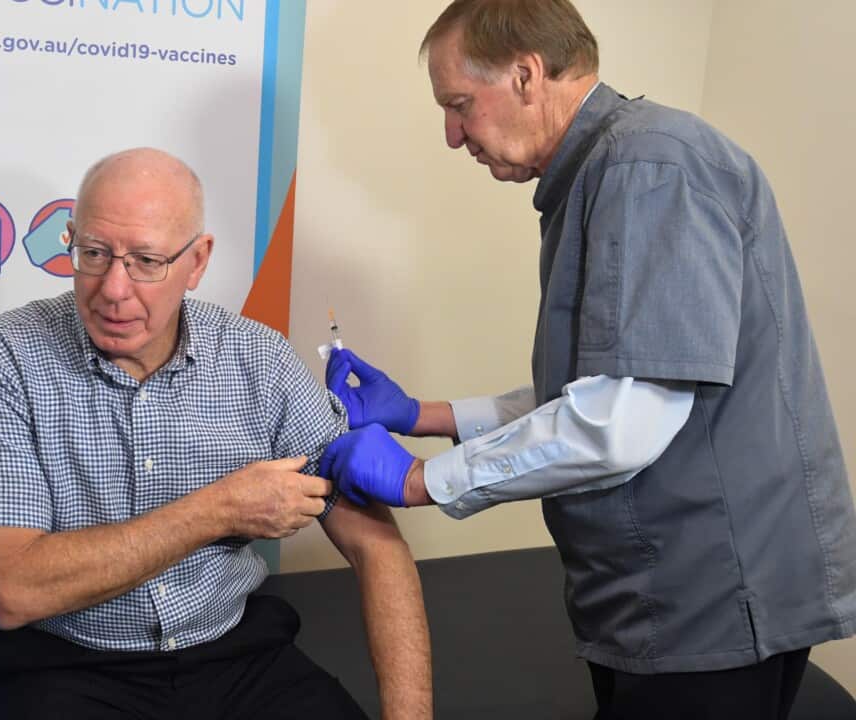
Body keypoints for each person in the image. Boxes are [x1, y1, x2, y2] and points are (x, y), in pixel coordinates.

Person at [319, 1, 856, 719]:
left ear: (525, 75)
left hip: (714, 605)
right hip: (662, 600)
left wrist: (422, 481)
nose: (452, 135)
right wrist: (424, 415)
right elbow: (604, 385)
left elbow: (621, 424)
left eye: (457, 105)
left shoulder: (649, 170)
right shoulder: (605, 171)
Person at [0, 147, 432, 719]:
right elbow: (12, 590)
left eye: (147, 261)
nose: (112, 288)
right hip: (69, 665)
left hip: (235, 652)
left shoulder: (261, 359)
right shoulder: (6, 356)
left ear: (197, 261)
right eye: (94, 253)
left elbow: (375, 544)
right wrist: (219, 510)